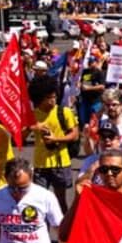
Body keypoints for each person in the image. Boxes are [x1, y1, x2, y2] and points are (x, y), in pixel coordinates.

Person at [27, 77, 79, 215]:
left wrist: (56, 139)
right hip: (40, 164)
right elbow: (19, 137)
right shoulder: (33, 115)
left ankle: (64, 232)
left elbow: (74, 135)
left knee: (60, 200)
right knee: (40, 200)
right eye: (49, 98)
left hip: (60, 163)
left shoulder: (64, 112)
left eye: (55, 97)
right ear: (40, 98)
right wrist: (33, 127)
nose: (53, 100)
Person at [60, 149, 122, 243]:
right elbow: (64, 235)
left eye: (115, 169)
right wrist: (77, 199)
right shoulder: (93, 200)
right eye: (104, 170)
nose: (109, 174)